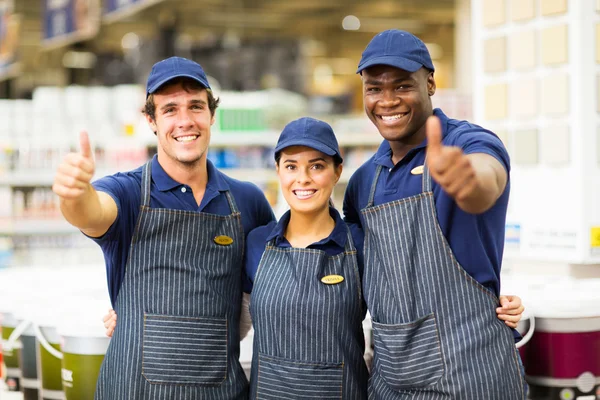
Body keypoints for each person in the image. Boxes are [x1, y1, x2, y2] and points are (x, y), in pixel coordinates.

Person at [52, 56, 274, 399]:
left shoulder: (247, 201)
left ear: (212, 114)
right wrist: (74, 193)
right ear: (151, 120)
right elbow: (92, 212)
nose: (185, 121)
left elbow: (266, 293)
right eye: (170, 109)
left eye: (196, 106)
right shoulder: (127, 193)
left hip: (220, 390)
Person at [343, 30, 527, 399]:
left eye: (402, 86)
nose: (387, 100)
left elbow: (486, 178)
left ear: (430, 84)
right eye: (374, 88)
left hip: (473, 377)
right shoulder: (364, 180)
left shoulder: (466, 143)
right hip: (391, 381)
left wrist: (469, 183)